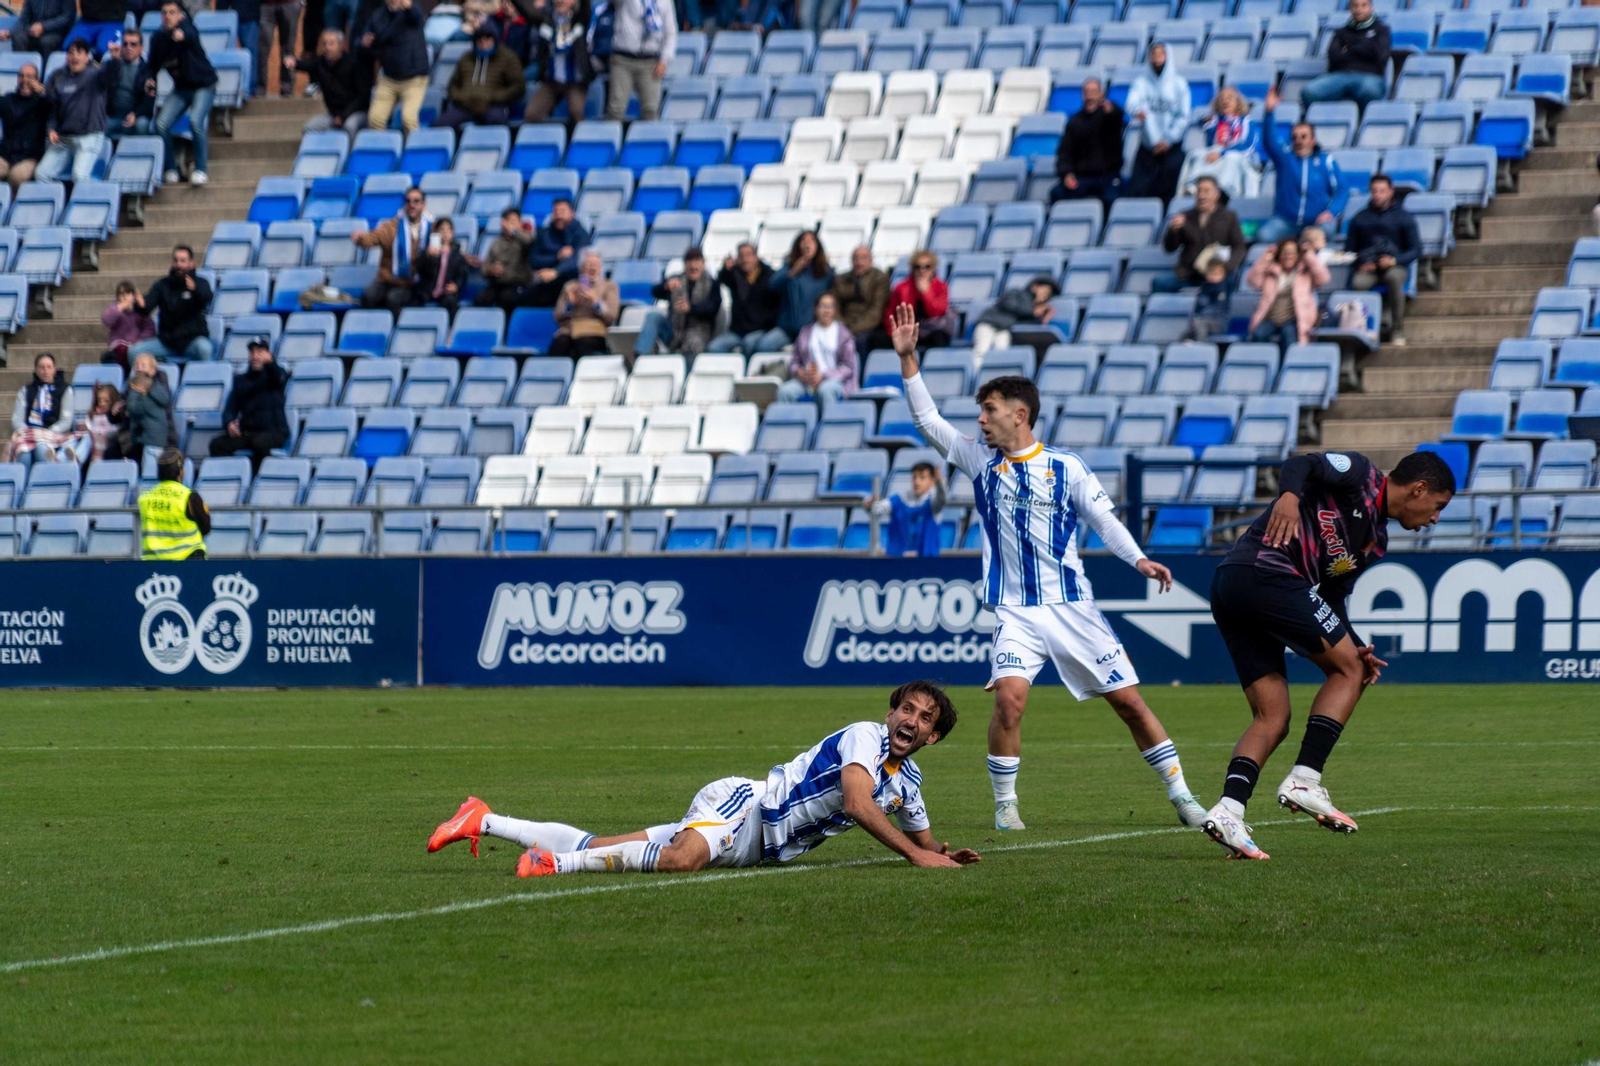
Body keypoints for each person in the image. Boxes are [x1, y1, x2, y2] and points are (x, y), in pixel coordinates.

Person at [892, 303, 1208, 833]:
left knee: (1129, 703)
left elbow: (1104, 521)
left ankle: (1182, 796)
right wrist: (908, 359)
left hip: (1071, 606)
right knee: (1010, 702)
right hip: (1015, 612)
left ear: (1019, 414)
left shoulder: (1067, 468)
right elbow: (928, 421)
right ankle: (1005, 805)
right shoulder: (978, 461)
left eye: (988, 409)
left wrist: (1139, 559)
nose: (980, 419)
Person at [427, 681, 982, 876]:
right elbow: (861, 806)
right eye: (905, 709)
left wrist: (940, 854)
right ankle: (556, 866)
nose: (910, 720)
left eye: (924, 718)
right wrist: (915, 858)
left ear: (932, 738)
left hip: (755, 849)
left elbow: (924, 837)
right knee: (682, 861)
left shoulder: (908, 782)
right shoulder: (864, 735)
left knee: (607, 846)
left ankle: (485, 818)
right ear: (890, 714)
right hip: (744, 806)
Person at [1201, 451, 1454, 860]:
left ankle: (1229, 809)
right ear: (1419, 489)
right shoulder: (1361, 475)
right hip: (1264, 572)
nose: (1435, 518)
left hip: (1239, 586)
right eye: (1438, 506)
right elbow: (1303, 463)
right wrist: (1287, 496)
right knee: (1348, 672)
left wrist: (1354, 644)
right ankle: (1304, 779)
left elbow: (1332, 597)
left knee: (1273, 717)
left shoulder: (1374, 542)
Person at [1257, 87, 1348, 244]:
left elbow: (1342, 190)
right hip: (1286, 221)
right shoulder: (1285, 158)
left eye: (1304, 136)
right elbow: (1269, 141)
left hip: (1316, 222)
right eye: (1295, 137)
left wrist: (1331, 212)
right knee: (1264, 237)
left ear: (1313, 140)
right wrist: (1269, 112)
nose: (1298, 140)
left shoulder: (1327, 161)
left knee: (1326, 232)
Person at [146, 0, 217, 185]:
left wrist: (182, 34)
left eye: (172, 12)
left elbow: (190, 34)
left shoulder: (188, 28)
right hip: (181, 89)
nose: (168, 16)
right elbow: (152, 66)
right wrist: (150, 79)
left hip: (204, 85)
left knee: (195, 121)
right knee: (161, 124)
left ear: (180, 15)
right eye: (164, 13)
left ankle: (201, 169)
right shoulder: (158, 39)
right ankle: (171, 169)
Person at [1347, 173, 1420, 346]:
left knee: (1394, 278)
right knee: (1358, 283)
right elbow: (1349, 251)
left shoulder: (1404, 217)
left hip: (1395, 266)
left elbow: (1416, 250)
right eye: (1374, 191)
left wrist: (1393, 261)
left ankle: (1397, 329)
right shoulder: (1360, 218)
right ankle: (1363, 330)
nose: (1378, 195)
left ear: (1390, 192)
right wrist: (1362, 263)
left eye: (1382, 191)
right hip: (1369, 269)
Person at [36, 39, 118, 185]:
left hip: (89, 136)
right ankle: (59, 203)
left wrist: (115, 60)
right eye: (71, 53)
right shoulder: (57, 76)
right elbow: (52, 107)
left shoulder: (96, 75)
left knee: (79, 176)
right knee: (41, 174)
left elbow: (110, 78)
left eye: (79, 53)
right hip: (64, 138)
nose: (75, 57)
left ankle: (88, 206)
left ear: (87, 57)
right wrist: (51, 128)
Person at [1152, 176, 1247, 293]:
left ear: (1216, 194)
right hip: (1188, 273)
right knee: (1160, 283)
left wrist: (1227, 267)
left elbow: (1239, 247)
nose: (1201, 196)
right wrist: (1173, 231)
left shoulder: (1229, 217)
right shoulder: (1185, 216)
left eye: (1206, 191)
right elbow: (1169, 248)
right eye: (1199, 191)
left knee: (1229, 282)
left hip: (1217, 273)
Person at [1123, 42, 1191, 204]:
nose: (1157, 58)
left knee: (1168, 195)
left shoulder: (1179, 84)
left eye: (1161, 54)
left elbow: (1183, 116)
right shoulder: (1141, 83)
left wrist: (1168, 139)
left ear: (1168, 57)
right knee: (1138, 194)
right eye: (1154, 54)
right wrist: (1136, 110)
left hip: (1171, 148)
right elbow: (1131, 103)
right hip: (1147, 148)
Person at [209, 336, 289, 472]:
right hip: (248, 432)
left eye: (259, 352)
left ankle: (259, 478)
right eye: (252, 352)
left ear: (268, 354)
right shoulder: (242, 380)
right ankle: (231, 477)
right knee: (217, 444)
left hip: (274, 432)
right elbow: (230, 408)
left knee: (259, 443)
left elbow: (280, 378)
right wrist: (229, 424)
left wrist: (270, 363)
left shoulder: (276, 375)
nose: (255, 356)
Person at [129, 245, 215, 363]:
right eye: (175, 260)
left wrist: (195, 290)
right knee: (134, 352)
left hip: (192, 341)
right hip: (166, 343)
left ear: (191, 263)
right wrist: (141, 304)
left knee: (205, 348)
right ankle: (139, 381)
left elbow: (207, 298)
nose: (178, 264)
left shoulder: (201, 283)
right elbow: (147, 306)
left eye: (183, 261)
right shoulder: (162, 285)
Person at [352, 187, 431, 313]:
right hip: (387, 280)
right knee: (368, 296)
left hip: (413, 283)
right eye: (408, 201)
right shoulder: (391, 227)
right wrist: (360, 239)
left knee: (394, 299)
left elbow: (448, 248)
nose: (412, 205)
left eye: (416, 201)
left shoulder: (432, 229)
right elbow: (372, 238)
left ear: (423, 204)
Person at [753, 230, 833, 353]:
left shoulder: (825, 273)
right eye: (803, 240)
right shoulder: (788, 268)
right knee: (763, 346)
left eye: (811, 240)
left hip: (812, 329)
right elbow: (772, 285)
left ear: (817, 246)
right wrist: (792, 272)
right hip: (786, 329)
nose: (807, 244)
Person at [1246, 237, 1332, 351]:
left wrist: (1309, 256)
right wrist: (1265, 259)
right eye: (1285, 252)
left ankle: (1289, 367)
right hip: (1270, 318)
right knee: (1259, 334)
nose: (1288, 256)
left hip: (1294, 319)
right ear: (1279, 254)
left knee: (1289, 336)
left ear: (1298, 255)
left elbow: (1324, 279)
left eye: (1292, 253)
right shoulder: (1270, 270)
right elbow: (1253, 281)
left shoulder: (1305, 271)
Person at [1177, 86, 1262, 201]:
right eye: (1221, 99)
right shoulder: (1215, 121)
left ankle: (1224, 189)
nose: (1225, 101)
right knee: (1198, 154)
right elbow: (1196, 125)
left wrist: (1222, 153)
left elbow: (1248, 146)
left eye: (1229, 98)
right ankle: (1193, 186)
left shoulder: (1246, 121)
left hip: (1239, 156)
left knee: (1231, 158)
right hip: (1217, 153)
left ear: (1238, 103)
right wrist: (1203, 120)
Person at [1300, 0, 1390, 108]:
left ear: (1371, 7)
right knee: (1309, 92)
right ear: (1350, 8)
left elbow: (1380, 56)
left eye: (1364, 5)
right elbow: (1333, 57)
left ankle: (1361, 123)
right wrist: (1365, 48)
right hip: (1340, 75)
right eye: (1355, 6)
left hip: (1369, 76)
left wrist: (1351, 48)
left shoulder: (1382, 30)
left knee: (1370, 91)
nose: (1359, 9)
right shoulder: (1341, 32)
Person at [634, 246, 720, 358]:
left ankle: (686, 372)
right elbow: (655, 292)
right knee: (653, 317)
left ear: (703, 264)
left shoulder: (712, 284)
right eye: (689, 261)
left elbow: (713, 307)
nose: (693, 265)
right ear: (684, 264)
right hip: (674, 332)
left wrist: (691, 308)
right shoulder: (676, 280)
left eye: (697, 261)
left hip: (699, 333)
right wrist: (665, 286)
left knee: (692, 343)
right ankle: (638, 357)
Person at [1051, 77, 1125, 208]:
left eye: (1094, 92)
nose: (1090, 96)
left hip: (1107, 176)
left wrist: (1111, 111)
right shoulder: (1074, 122)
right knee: (1057, 193)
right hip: (1082, 177)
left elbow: (1117, 117)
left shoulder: (1109, 117)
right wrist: (1067, 175)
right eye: (1087, 92)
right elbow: (1064, 154)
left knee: (1112, 198)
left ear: (1101, 94)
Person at [285, 29, 372, 134]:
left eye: (331, 44)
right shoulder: (321, 62)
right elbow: (307, 64)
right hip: (334, 114)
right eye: (325, 44)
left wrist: (343, 116)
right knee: (309, 128)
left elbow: (362, 96)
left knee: (349, 126)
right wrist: (294, 63)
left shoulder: (353, 64)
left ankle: (350, 150)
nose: (327, 48)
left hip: (356, 113)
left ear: (341, 45)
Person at [362, 0, 429, 135]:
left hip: (414, 78)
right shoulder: (378, 15)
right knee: (375, 119)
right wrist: (365, 42)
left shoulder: (412, 11)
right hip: (389, 78)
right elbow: (367, 37)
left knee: (408, 120)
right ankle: (383, 153)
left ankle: (412, 153)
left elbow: (418, 18)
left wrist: (408, 7)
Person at [436, 25, 524, 128]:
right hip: (465, 106)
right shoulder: (466, 58)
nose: (483, 41)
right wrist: (460, 97)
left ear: (494, 40)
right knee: (438, 126)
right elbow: (453, 85)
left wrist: (495, 97)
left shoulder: (508, 58)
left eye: (487, 38)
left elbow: (518, 87)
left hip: (492, 105)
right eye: (480, 38)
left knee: (497, 124)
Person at [779, 292, 856, 405]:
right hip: (807, 381)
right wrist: (798, 372)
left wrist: (823, 376)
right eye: (822, 306)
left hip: (834, 380)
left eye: (829, 306)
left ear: (834, 310)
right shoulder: (805, 332)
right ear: (815, 309)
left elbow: (848, 367)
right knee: (784, 392)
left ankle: (828, 422)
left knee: (825, 390)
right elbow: (794, 361)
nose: (826, 310)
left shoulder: (844, 334)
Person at [605, 0, 675, 123]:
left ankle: (649, 141)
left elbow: (670, 32)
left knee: (650, 110)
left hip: (650, 61)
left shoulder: (664, 2)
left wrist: (664, 60)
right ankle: (609, 140)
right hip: (623, 59)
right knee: (615, 109)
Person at [524, 0, 590, 128]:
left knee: (576, 113)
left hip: (575, 81)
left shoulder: (580, 18)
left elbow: (585, 6)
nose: (560, 1)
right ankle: (540, 146)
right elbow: (526, 10)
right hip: (552, 82)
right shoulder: (545, 19)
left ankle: (575, 145)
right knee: (531, 114)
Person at [971, 275, 1062, 366]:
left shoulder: (1033, 308)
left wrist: (1042, 317)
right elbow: (1008, 304)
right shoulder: (1016, 292)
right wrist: (1033, 311)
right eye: (1045, 291)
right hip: (988, 323)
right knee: (981, 352)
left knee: (1001, 356)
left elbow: (1026, 324)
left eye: (1048, 294)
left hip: (1004, 328)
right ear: (1035, 287)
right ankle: (976, 376)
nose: (1045, 295)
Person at [138, 446, 210, 561]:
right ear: (180, 472)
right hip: (188, 561)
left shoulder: (144, 498)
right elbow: (206, 527)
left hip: (152, 564)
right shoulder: (189, 496)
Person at [707, 242, 780, 354]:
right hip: (737, 332)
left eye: (748, 255)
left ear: (756, 257)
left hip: (761, 330)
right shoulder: (735, 274)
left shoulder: (770, 276)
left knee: (748, 343)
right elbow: (721, 279)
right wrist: (726, 268)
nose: (745, 259)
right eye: (741, 256)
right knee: (714, 347)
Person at [4, 353, 73, 465]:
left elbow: (65, 422)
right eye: (41, 367)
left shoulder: (66, 390)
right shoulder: (25, 391)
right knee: (24, 453)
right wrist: (30, 433)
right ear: (36, 370)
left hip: (53, 435)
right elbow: (17, 420)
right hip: (28, 434)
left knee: (41, 450)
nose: (45, 370)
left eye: (49, 367)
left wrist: (44, 434)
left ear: (54, 369)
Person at [550, 250, 620, 357]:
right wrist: (570, 305)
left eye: (596, 264)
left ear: (600, 268)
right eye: (589, 264)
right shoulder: (570, 286)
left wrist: (596, 303)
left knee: (583, 343)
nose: (593, 268)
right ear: (581, 267)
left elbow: (612, 316)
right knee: (559, 343)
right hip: (570, 329)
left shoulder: (609, 286)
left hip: (594, 330)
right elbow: (557, 316)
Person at [870, 461, 945, 558]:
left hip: (926, 565)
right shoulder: (898, 500)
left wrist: (940, 484)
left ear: (932, 481)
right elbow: (877, 508)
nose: (917, 481)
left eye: (922, 477)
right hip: (898, 564)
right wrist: (869, 504)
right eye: (914, 477)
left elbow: (942, 499)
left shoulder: (934, 505)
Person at [884, 249, 954, 351]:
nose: (922, 270)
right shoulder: (901, 288)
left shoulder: (941, 287)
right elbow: (891, 313)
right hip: (908, 329)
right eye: (918, 267)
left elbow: (936, 312)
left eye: (927, 267)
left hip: (932, 329)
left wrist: (926, 293)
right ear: (913, 269)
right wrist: (894, 333)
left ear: (933, 268)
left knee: (939, 338)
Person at [828, 244, 891, 356]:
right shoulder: (840, 279)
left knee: (859, 341)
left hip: (867, 327)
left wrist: (851, 330)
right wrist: (841, 327)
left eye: (863, 258)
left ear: (871, 261)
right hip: (843, 324)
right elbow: (834, 305)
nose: (859, 262)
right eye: (855, 258)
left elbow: (876, 312)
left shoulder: (880, 278)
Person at [527, 198, 589, 306]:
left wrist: (556, 272)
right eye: (556, 211)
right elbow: (533, 258)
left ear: (571, 214)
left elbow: (578, 260)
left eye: (562, 211)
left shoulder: (581, 234)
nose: (559, 215)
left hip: (571, 280)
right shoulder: (544, 233)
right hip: (544, 280)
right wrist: (557, 257)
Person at [469, 208, 534, 311]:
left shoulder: (524, 239)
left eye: (513, 221)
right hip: (498, 284)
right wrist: (490, 270)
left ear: (520, 223)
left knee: (507, 299)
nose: (510, 224)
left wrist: (514, 231)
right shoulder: (496, 243)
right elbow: (485, 266)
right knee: (481, 299)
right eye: (507, 221)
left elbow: (530, 241)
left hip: (518, 283)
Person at [0, 64, 49, 189]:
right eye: (21, 76)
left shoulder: (43, 102)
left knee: (16, 176)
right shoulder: (9, 99)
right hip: (6, 155)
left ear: (37, 80)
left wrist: (42, 93)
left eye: (30, 77)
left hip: (30, 157)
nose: (25, 80)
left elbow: (55, 105)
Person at [122, 351, 176, 464]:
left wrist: (135, 390)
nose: (139, 368)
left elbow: (133, 407)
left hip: (155, 439)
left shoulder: (158, 384)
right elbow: (123, 408)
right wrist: (117, 411)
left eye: (143, 365)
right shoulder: (131, 383)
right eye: (136, 365)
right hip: (137, 436)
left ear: (153, 371)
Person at [104, 30, 154, 141]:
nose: (128, 47)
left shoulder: (147, 71)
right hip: (113, 116)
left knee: (142, 124)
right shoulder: (112, 64)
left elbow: (149, 102)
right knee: (96, 126)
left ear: (141, 48)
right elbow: (103, 86)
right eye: (125, 44)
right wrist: (115, 62)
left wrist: (136, 115)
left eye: (133, 44)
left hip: (135, 116)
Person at [413, 217, 469, 314]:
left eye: (448, 229)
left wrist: (456, 286)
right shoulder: (428, 252)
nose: (445, 233)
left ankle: (450, 327)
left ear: (452, 233)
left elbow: (462, 275)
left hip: (446, 291)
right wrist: (428, 256)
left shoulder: (458, 255)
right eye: (442, 229)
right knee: (414, 300)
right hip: (427, 290)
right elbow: (419, 271)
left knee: (450, 302)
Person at [101, 279, 156, 370]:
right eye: (121, 294)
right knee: (122, 349)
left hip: (136, 342)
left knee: (138, 352)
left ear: (133, 296)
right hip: (118, 342)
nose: (125, 297)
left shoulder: (139, 310)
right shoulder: (114, 308)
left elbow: (149, 327)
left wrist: (142, 339)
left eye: (128, 294)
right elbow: (106, 320)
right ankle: (124, 371)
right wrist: (120, 308)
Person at [66, 382, 122, 466]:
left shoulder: (114, 416)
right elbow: (88, 424)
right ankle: (59, 458)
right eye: (99, 400)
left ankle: (77, 458)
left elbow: (114, 430)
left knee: (88, 437)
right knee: (73, 438)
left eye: (106, 401)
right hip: (91, 438)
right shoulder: (93, 413)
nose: (102, 403)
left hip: (103, 440)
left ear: (112, 400)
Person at [1182, 255, 1232, 342]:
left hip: (1218, 323)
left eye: (1216, 274)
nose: (1213, 276)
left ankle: (1201, 346)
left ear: (1223, 275)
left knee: (1200, 323)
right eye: (1210, 273)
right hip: (1202, 320)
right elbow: (1198, 307)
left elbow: (1218, 309)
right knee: (1186, 334)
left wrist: (1201, 317)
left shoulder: (1222, 289)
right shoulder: (1204, 288)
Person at [259, 0, 303, 97]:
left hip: (290, 3)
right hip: (266, 5)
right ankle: (260, 87)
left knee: (288, 48)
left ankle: (287, 87)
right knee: (262, 48)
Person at [0, 0, 75, 57]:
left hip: (56, 32)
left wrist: (43, 26)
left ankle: (45, 75)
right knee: (19, 38)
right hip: (33, 31)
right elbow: (24, 20)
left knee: (46, 42)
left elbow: (67, 18)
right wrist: (10, 32)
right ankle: (22, 72)